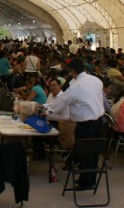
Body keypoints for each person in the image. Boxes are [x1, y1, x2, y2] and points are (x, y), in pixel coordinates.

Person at [44, 58, 104, 190]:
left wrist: (45, 111)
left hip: (85, 123)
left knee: (85, 153)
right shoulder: (96, 80)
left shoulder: (75, 86)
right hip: (99, 121)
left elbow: (59, 105)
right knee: (93, 153)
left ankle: (85, 182)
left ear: (72, 71)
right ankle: (90, 179)